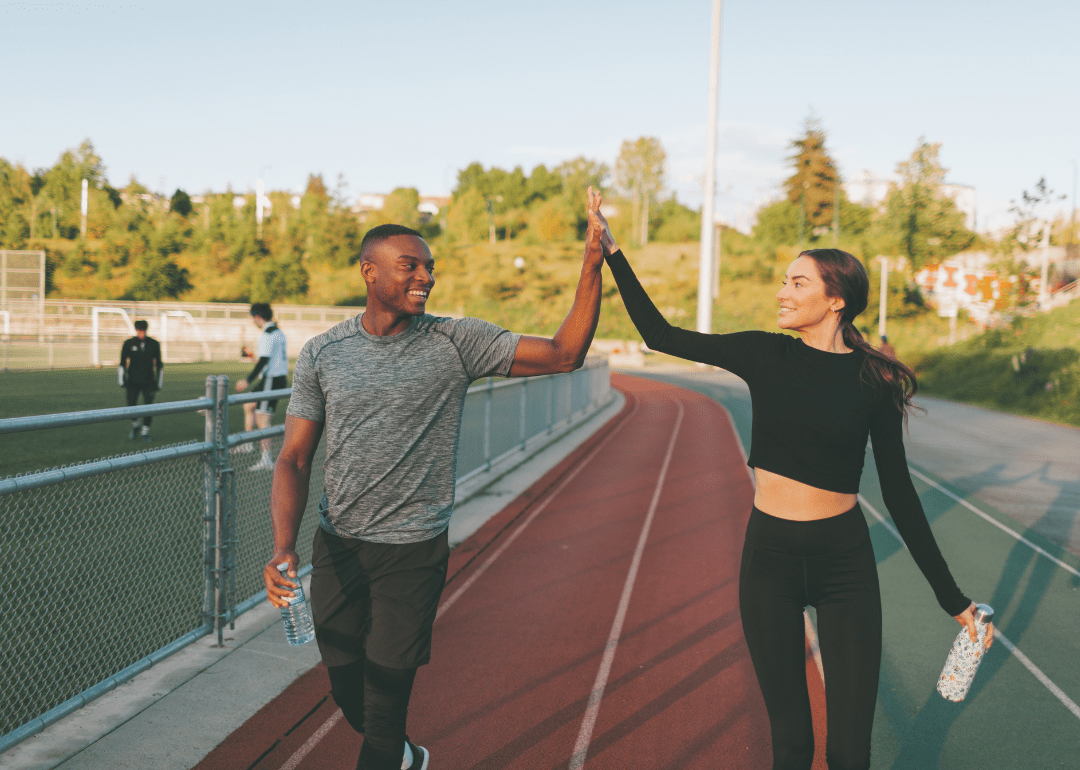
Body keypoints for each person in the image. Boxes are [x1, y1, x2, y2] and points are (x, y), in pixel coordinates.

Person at [596, 219, 993, 770]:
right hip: (770, 561)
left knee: (850, 753)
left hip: (845, 564)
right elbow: (660, 336)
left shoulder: (874, 381)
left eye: (798, 283)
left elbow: (900, 495)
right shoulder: (765, 354)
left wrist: (954, 600)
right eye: (784, 281)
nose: (782, 292)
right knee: (792, 746)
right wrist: (613, 252)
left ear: (836, 300)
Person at [261, 188, 607, 770]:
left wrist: (591, 266)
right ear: (369, 272)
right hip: (338, 546)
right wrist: (282, 548)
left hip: (412, 553)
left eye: (430, 268)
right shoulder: (323, 353)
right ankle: (406, 758)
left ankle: (390, 753)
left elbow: (564, 354)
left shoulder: (456, 341)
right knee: (347, 688)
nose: (426, 277)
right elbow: (294, 459)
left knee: (384, 704)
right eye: (411, 266)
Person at [235, 303, 288, 470]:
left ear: (257, 317)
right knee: (249, 404)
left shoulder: (268, 334)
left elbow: (264, 360)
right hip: (274, 378)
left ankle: (267, 459)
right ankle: (248, 444)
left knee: (263, 419)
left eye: (253, 318)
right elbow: (269, 358)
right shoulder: (278, 331)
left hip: (271, 379)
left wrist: (247, 380)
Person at [119, 319, 163, 442]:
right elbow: (122, 363)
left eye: (143, 330)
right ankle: (135, 424)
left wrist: (159, 383)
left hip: (149, 382)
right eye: (139, 331)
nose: (142, 333)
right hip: (132, 381)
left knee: (148, 407)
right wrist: (122, 381)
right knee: (130, 405)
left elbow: (159, 365)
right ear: (136, 330)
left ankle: (145, 432)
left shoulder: (154, 344)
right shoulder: (128, 343)